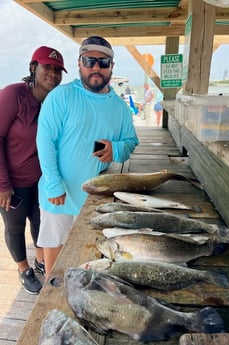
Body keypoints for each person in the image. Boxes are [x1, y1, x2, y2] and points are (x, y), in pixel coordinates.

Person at [36, 36, 139, 277]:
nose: (96, 67)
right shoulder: (60, 96)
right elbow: (45, 140)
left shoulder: (120, 108)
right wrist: (53, 184)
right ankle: (51, 294)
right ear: (79, 63)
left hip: (96, 198)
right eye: (89, 60)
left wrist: (116, 148)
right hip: (58, 194)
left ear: (112, 66)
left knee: (90, 253)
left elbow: (131, 141)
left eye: (103, 62)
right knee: (55, 247)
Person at [0, 46, 66, 294]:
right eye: (47, 67)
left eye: (58, 69)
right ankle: (23, 269)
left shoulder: (54, 101)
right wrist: (3, 184)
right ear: (33, 68)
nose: (53, 73)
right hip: (13, 182)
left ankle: (41, 261)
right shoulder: (13, 94)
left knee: (40, 223)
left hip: (41, 181)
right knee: (15, 228)